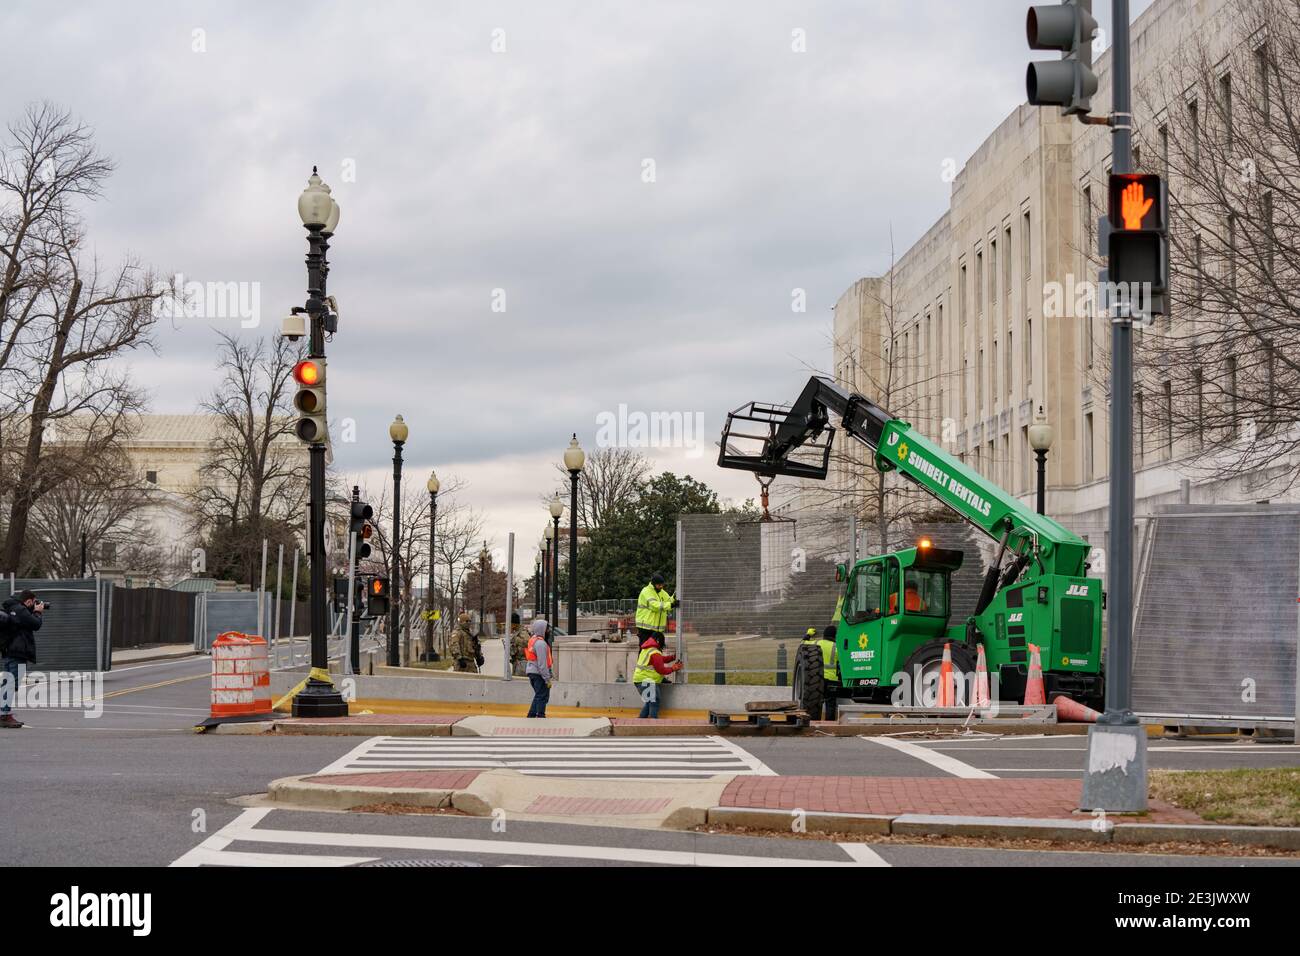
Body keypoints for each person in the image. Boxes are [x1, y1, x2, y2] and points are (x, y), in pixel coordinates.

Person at [0, 590, 43, 729]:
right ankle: (4, 715)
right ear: (29, 601)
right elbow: (36, 624)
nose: (34, 604)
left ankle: (3, 713)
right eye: (34, 602)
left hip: (9, 652)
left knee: (7, 684)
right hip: (18, 653)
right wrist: (38, 612)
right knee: (11, 685)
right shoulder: (20, 609)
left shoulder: (12, 608)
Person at [633, 634, 682, 719]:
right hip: (647, 680)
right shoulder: (654, 652)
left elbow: (660, 660)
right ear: (659, 641)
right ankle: (653, 721)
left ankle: (640, 720)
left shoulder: (647, 649)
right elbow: (661, 670)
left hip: (640, 680)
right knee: (655, 700)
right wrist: (673, 668)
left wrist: (672, 658)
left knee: (650, 701)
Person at [799, 625, 839, 720]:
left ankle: (813, 722)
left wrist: (808, 634)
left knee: (815, 701)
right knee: (830, 704)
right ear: (835, 636)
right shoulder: (837, 647)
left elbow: (803, 644)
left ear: (824, 634)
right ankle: (829, 724)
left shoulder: (816, 643)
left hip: (816, 679)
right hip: (832, 680)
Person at [635, 572, 676, 649]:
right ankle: (642, 661)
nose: (661, 587)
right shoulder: (646, 591)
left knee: (656, 650)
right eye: (659, 585)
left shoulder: (661, 591)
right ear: (653, 584)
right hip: (645, 628)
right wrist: (671, 605)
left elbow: (668, 601)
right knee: (645, 650)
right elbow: (654, 605)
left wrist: (674, 597)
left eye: (662, 585)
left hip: (656, 629)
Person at [524, 620, 553, 718]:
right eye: (547, 628)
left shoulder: (533, 640)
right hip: (538, 673)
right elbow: (542, 664)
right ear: (542, 629)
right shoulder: (541, 643)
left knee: (539, 695)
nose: (549, 631)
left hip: (532, 672)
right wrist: (547, 678)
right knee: (541, 696)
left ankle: (532, 715)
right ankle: (540, 715)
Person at [508, 612, 529, 677]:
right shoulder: (516, 633)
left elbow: (527, 644)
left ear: (514, 624)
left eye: (510, 624)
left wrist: (515, 641)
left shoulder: (522, 633)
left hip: (522, 663)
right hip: (516, 662)